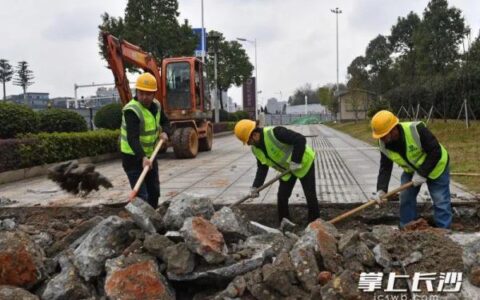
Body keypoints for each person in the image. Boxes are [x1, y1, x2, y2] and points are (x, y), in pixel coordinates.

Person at [371, 110, 452, 228]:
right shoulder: (384, 144)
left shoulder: (416, 130)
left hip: (437, 167)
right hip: (412, 171)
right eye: (380, 136)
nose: (381, 139)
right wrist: (381, 190)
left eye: (383, 135)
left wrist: (422, 173)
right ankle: (407, 229)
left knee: (440, 200)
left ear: (393, 129)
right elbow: (385, 167)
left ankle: (444, 232)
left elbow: (435, 151)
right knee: (405, 197)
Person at [234, 119, 320, 223]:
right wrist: (256, 187)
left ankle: (315, 223)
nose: (248, 144)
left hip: (304, 163)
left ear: (254, 134)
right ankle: (285, 223)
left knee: (310, 195)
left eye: (249, 141)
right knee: (282, 197)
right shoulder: (255, 149)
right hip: (287, 170)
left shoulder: (275, 133)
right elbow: (262, 168)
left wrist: (295, 161)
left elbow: (300, 139)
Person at [120, 72, 170, 209]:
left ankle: (154, 220)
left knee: (154, 192)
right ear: (137, 91)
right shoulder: (132, 110)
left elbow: (165, 122)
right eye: (141, 93)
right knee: (142, 196)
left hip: (150, 156)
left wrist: (165, 132)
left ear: (154, 94)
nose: (144, 97)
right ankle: (143, 225)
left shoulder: (157, 106)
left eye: (148, 94)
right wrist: (142, 157)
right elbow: (132, 138)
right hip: (132, 157)